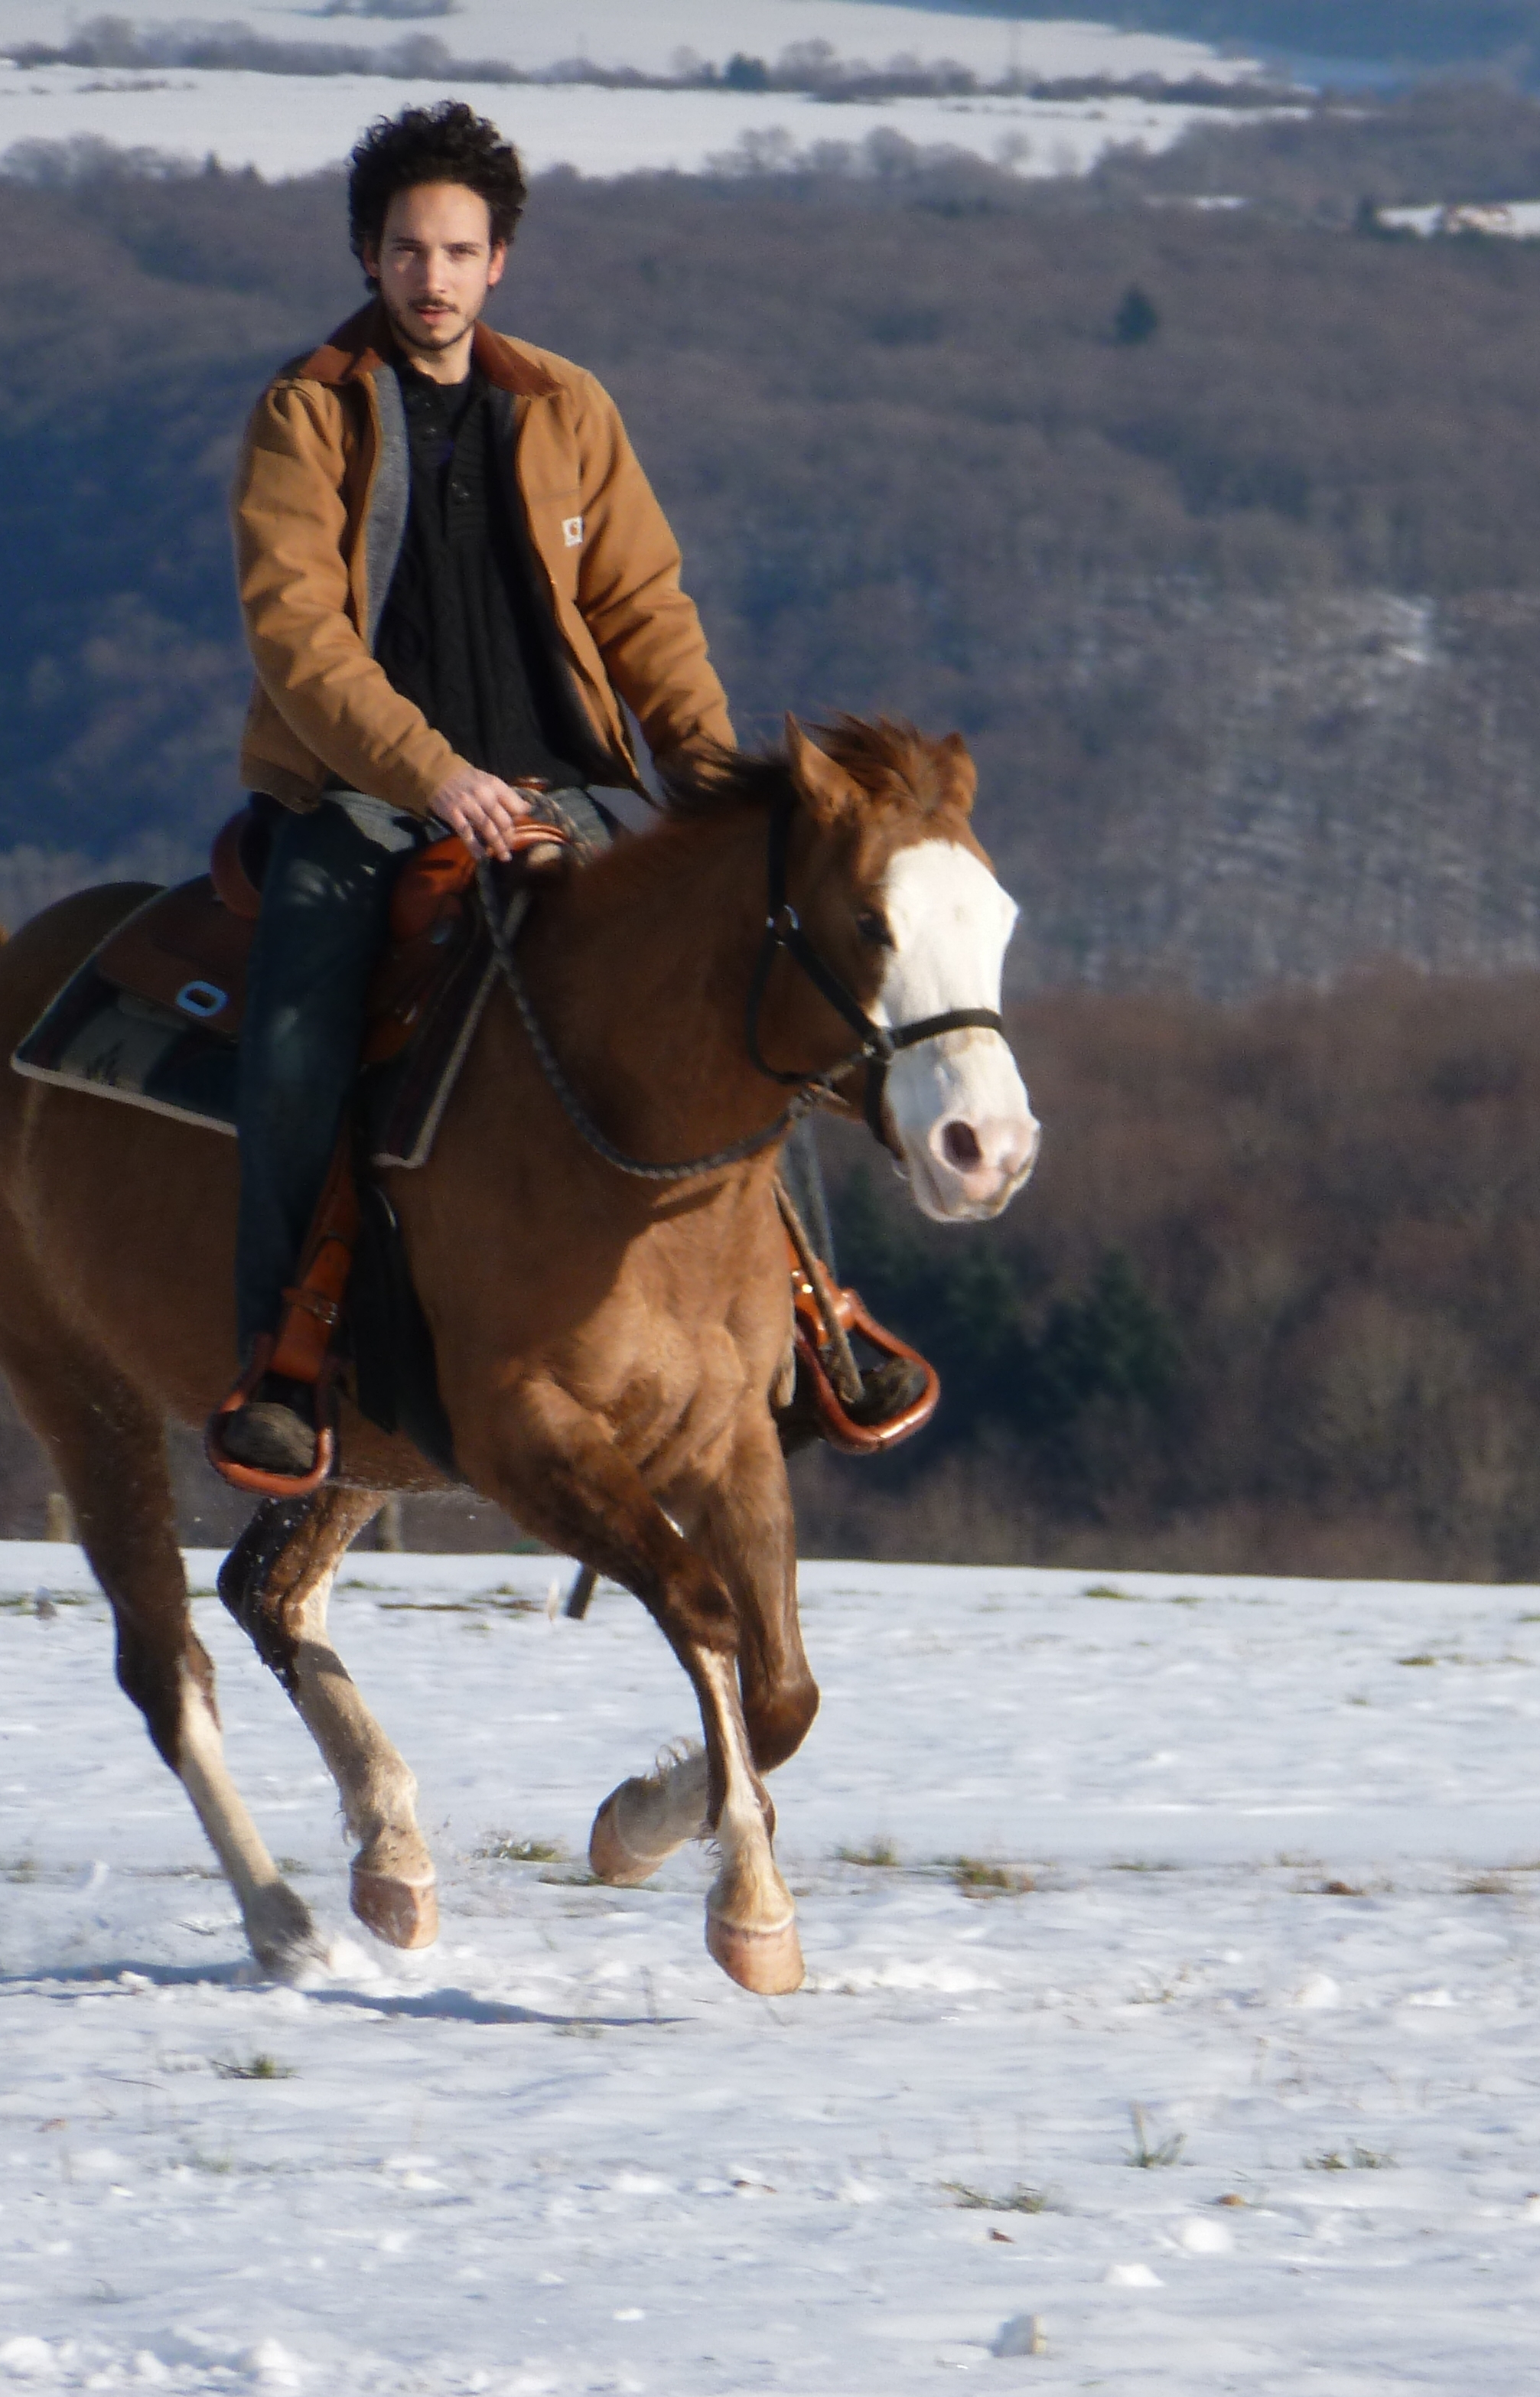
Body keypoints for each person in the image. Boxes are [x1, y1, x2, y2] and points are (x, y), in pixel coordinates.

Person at [215, 101, 907, 1482]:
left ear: (500, 262)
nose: (432, 276)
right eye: (407, 249)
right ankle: (287, 1355)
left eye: (457, 251)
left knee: (741, 991)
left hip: (560, 789)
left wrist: (712, 787)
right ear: (367, 254)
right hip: (364, 797)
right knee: (294, 1038)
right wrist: (434, 775)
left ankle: (811, 1307)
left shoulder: (565, 407)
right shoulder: (309, 410)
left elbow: (644, 608)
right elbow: (297, 637)